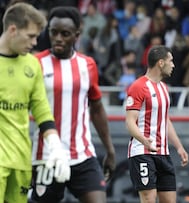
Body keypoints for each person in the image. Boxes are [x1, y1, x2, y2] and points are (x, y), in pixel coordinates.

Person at [31, 6, 116, 203]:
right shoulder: (35, 64)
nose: (58, 38)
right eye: (53, 32)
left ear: (77, 35)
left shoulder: (87, 65)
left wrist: (110, 150)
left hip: (82, 154)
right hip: (46, 156)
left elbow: (97, 109)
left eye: (65, 33)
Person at [0, 3, 70, 203]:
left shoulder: (32, 64)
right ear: (13, 30)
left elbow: (42, 111)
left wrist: (56, 147)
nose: (35, 42)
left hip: (22, 160)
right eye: (30, 36)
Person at [125, 45, 189, 203]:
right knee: (148, 199)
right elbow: (129, 122)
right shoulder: (138, 86)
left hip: (163, 154)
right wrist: (144, 140)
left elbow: (165, 119)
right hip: (143, 153)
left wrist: (179, 146)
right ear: (161, 63)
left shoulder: (164, 89)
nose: (173, 65)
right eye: (171, 61)